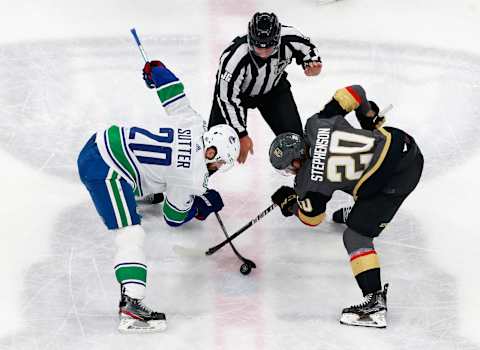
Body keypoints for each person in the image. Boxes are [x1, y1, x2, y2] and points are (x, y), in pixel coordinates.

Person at [77, 61, 240, 333]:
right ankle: (131, 307)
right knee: (130, 233)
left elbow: (175, 97)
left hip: (102, 140)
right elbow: (174, 217)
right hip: (103, 169)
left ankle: (140, 192)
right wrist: (202, 205)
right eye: (221, 163)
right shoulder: (192, 176)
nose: (218, 168)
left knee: (156, 177)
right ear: (218, 156)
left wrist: (157, 71)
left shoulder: (196, 126)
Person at [268, 85, 423, 328]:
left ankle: (374, 304)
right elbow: (355, 91)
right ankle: (361, 212)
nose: (290, 173)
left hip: (398, 178)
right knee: (362, 176)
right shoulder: (317, 123)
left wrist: (291, 205)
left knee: (355, 235)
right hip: (402, 143)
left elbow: (313, 218)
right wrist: (366, 115)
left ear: (297, 160)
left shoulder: (309, 182)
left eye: (289, 167)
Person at [209, 12, 322, 164]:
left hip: (273, 92)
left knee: (296, 147)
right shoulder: (233, 59)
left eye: (268, 48)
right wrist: (241, 134)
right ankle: (195, 182)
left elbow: (308, 49)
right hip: (238, 97)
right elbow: (227, 99)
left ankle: (307, 184)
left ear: (277, 39)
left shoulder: (290, 38)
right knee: (215, 148)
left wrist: (312, 63)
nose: (262, 53)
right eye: (257, 47)